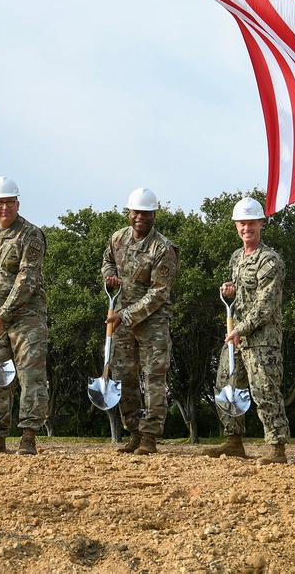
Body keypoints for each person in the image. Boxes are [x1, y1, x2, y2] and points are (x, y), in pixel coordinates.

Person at [204, 197, 290, 465]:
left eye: (251, 223)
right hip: (237, 338)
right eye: (242, 223)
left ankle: (277, 448)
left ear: (261, 224)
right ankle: (234, 442)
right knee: (226, 385)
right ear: (236, 226)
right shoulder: (236, 258)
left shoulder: (270, 261)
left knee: (265, 391)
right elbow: (239, 297)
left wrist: (241, 329)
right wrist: (229, 293)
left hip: (262, 341)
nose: (246, 228)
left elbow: (266, 304)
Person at [0, 176, 50, 456]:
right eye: (0, 203)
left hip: (26, 315)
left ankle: (28, 436)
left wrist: (4, 315)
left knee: (31, 375)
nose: (5, 208)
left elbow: (27, 279)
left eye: (9, 203)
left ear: (17, 203)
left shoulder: (31, 234)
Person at [102, 187, 178, 456]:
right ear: (129, 213)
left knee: (154, 377)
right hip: (121, 321)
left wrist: (126, 315)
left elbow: (159, 292)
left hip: (151, 324)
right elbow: (107, 261)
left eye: (146, 213)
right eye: (136, 212)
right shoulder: (118, 238)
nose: (140, 218)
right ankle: (133, 431)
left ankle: (149, 436)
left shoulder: (163, 248)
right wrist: (110, 275)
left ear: (154, 214)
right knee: (123, 376)